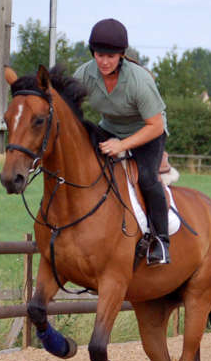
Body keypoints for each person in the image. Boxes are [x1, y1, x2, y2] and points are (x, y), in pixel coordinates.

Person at [73, 18, 171, 265]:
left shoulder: (139, 81)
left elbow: (155, 125)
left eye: (110, 56)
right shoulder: (84, 75)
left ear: (121, 56)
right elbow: (69, 108)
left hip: (146, 133)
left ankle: (161, 241)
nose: (104, 62)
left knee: (147, 178)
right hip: (110, 128)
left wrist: (122, 145)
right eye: (99, 55)